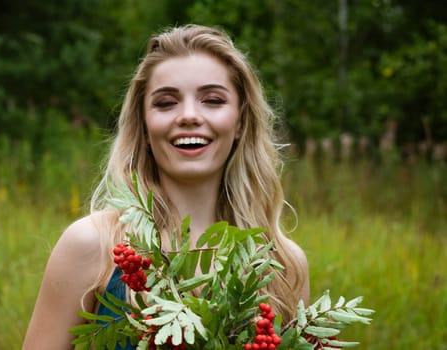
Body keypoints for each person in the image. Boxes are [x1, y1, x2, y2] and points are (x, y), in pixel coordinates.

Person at [23, 24, 310, 349]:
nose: (188, 115)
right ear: (144, 127)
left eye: (212, 100)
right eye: (165, 103)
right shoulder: (94, 245)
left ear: (241, 121)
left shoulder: (282, 263)